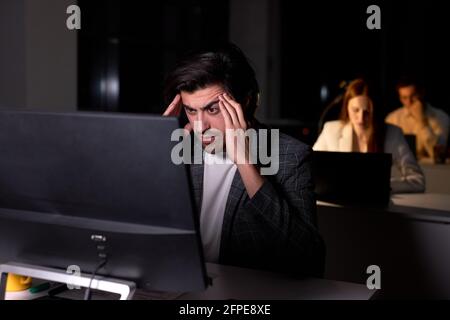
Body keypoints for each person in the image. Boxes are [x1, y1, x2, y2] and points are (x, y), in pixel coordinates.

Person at [162, 44, 325, 277]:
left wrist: (245, 163)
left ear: (246, 102)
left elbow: (308, 259)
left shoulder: (290, 155)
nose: (201, 126)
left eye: (213, 109)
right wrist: (153, 160)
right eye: (191, 110)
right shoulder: (180, 148)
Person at [314, 78, 425, 194]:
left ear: (375, 110)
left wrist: (381, 185)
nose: (361, 119)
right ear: (347, 108)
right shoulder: (331, 130)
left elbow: (418, 181)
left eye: (367, 111)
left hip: (377, 208)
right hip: (339, 204)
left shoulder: (392, 133)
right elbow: (307, 170)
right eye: (355, 110)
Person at [385, 77, 449, 161]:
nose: (409, 102)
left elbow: (438, 154)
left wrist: (421, 120)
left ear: (421, 93)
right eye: (404, 98)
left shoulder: (441, 117)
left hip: (433, 171)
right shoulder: (392, 119)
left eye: (413, 96)